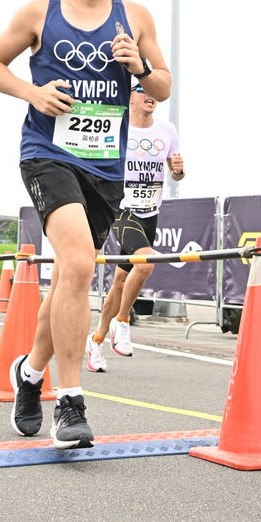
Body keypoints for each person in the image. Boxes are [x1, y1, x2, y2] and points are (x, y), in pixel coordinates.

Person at [0, 0, 171, 450]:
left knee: (70, 275)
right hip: (48, 154)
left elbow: (163, 84)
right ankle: (69, 401)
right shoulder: (39, 12)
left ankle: (29, 373)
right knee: (82, 264)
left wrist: (139, 68)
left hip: (105, 166)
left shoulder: (135, 17)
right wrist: (31, 92)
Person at [86, 84, 184, 370]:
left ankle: (96, 340)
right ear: (130, 98)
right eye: (142, 89)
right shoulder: (118, 127)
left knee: (120, 281)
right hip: (121, 209)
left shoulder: (167, 130)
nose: (150, 94)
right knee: (145, 262)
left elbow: (176, 173)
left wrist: (178, 170)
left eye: (153, 90)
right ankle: (123, 321)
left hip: (150, 212)